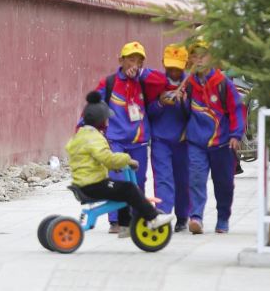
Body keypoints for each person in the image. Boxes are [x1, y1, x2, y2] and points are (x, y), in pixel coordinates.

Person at [79, 41, 159, 234]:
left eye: (139, 60)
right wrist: (81, 127)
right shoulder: (110, 82)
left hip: (139, 142)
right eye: (131, 59)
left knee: (138, 182)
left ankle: (133, 219)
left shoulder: (144, 81)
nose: (135, 63)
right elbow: (93, 105)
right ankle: (115, 221)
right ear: (120, 60)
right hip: (115, 140)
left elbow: (162, 82)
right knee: (117, 180)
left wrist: (143, 73)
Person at [67, 91, 174, 233]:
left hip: (83, 183)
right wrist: (127, 159)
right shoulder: (94, 137)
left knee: (121, 189)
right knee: (129, 189)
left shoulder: (80, 135)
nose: (108, 122)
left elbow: (91, 159)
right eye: (107, 119)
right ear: (100, 120)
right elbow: (108, 158)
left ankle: (125, 225)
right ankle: (153, 218)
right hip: (93, 185)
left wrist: (116, 164)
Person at [183, 39, 245, 234]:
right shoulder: (188, 84)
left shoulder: (222, 83)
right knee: (195, 179)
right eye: (195, 56)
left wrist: (236, 135)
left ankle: (223, 218)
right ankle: (196, 217)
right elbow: (185, 112)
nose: (199, 60)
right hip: (196, 142)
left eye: (203, 55)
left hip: (222, 142)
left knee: (224, 184)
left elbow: (237, 110)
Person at [147, 44, 191, 232]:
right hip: (160, 140)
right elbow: (147, 111)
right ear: (164, 63)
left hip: (184, 141)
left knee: (183, 180)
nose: (173, 71)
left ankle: (182, 217)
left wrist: (184, 103)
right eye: (170, 67)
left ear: (185, 65)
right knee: (163, 179)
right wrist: (159, 103)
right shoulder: (155, 83)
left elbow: (194, 115)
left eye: (178, 68)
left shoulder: (191, 84)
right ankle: (163, 214)